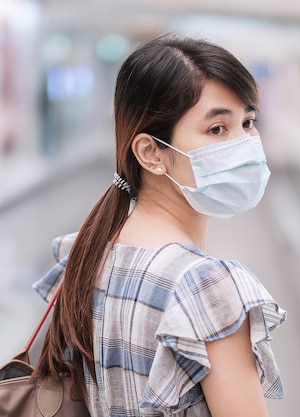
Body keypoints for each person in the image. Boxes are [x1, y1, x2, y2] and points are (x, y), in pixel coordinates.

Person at [31, 34, 286, 416]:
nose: (244, 144)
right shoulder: (206, 288)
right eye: (217, 129)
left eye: (248, 122)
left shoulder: (85, 255)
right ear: (151, 153)